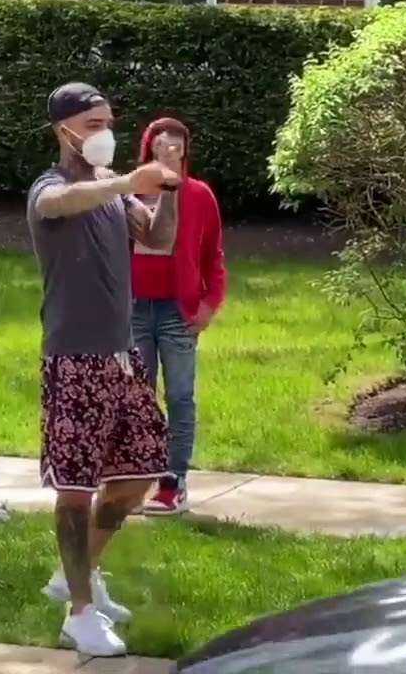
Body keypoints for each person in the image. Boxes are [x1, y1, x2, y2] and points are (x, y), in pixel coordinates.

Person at [28, 82, 180, 657]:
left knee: (142, 468)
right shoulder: (52, 186)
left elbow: (159, 239)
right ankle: (80, 613)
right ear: (63, 130)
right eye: (92, 124)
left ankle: (78, 573)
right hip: (73, 355)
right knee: (74, 486)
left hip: (121, 356)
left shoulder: (116, 195)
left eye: (108, 122)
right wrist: (124, 183)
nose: (104, 133)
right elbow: (55, 206)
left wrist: (170, 181)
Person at [131, 117, 226, 515]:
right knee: (136, 395)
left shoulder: (199, 196)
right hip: (134, 307)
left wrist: (207, 305)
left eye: (176, 144)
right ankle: (133, 479)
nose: (168, 150)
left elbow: (213, 257)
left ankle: (173, 482)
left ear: (186, 151)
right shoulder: (130, 191)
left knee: (180, 396)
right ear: (148, 149)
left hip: (177, 310)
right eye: (160, 144)